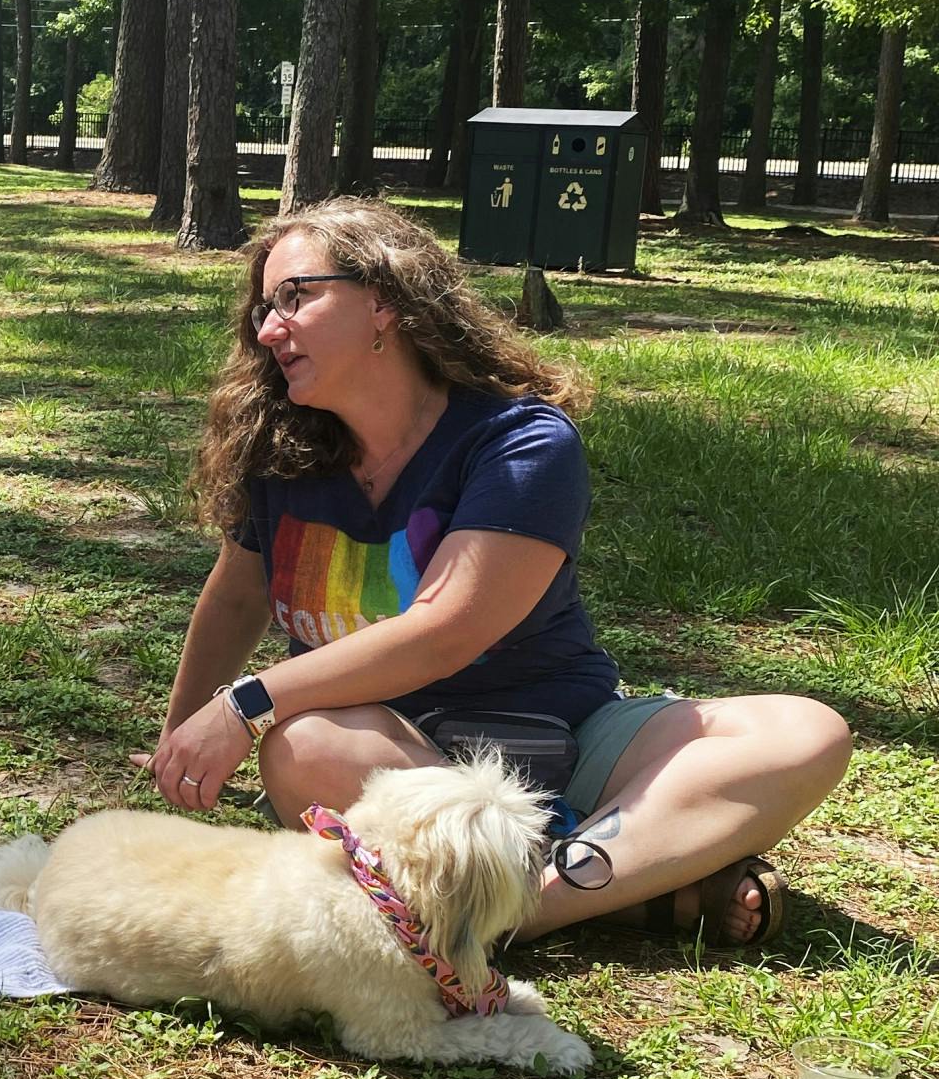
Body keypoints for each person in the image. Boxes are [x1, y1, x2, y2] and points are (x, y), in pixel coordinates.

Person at [135, 198, 852, 947]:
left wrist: (244, 701)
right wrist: (179, 740)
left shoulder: (522, 442)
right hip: (395, 756)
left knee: (806, 730)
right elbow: (238, 593)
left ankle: (516, 908)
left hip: (563, 741)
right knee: (303, 748)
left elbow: (446, 631)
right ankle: (632, 885)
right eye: (262, 308)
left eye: (295, 296)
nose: (268, 328)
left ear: (383, 300)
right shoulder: (284, 449)